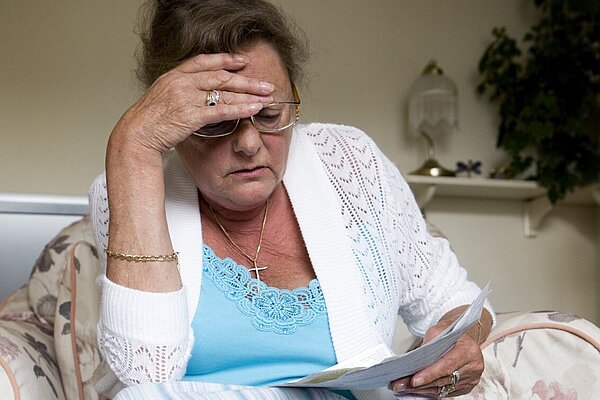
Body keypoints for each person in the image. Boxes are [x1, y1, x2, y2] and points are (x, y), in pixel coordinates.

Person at [88, 1, 495, 399]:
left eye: (269, 116)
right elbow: (145, 373)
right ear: (172, 121)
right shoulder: (127, 188)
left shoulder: (351, 161)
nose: (249, 144)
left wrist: (461, 343)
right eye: (217, 122)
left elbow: (454, 300)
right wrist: (134, 146)